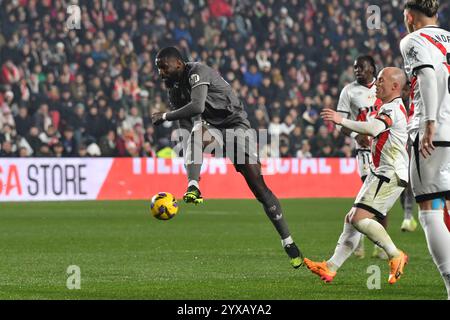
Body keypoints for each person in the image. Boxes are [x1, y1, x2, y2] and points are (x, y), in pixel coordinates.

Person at [151, 47, 304, 268]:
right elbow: (186, 126)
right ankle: (193, 187)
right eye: (158, 68)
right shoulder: (173, 90)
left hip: (236, 128)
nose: (161, 73)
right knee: (194, 133)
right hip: (213, 130)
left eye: (163, 67)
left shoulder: (197, 71)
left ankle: (288, 241)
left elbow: (198, 105)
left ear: (178, 64)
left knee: (259, 188)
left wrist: (164, 116)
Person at [304, 67, 409, 284]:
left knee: (359, 219)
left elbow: (373, 129)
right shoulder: (388, 106)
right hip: (379, 171)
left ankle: (395, 254)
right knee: (351, 220)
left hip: (390, 172)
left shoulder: (392, 110)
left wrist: (341, 120)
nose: (377, 85)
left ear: (395, 86)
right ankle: (330, 267)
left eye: (381, 81)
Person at [400, 0, 450, 299]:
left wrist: (429, 121)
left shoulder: (413, 39)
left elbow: (428, 76)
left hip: (434, 133)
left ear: (410, 17)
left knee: (430, 210)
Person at [336, 55, 387, 259]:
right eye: (355, 67)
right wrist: (357, 135)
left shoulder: (382, 89)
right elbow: (340, 122)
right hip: (364, 151)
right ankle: (360, 240)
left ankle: (380, 245)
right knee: (368, 192)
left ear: (372, 69)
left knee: (380, 195)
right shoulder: (348, 91)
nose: (357, 70)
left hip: (384, 148)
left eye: (361, 67)